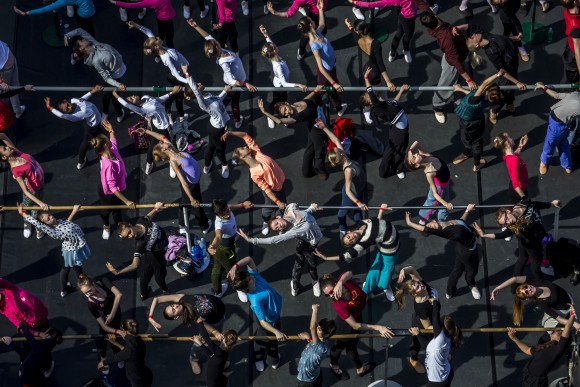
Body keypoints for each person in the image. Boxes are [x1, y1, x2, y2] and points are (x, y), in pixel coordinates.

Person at [237, 203, 323, 297]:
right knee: (301, 264)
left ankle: (312, 280)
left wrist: (311, 208)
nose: (279, 226)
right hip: (306, 242)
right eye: (277, 228)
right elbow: (273, 240)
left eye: (277, 223)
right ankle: (300, 283)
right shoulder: (292, 231)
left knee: (312, 263)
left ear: (278, 217)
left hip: (313, 241)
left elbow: (303, 215)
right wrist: (251, 240)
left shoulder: (291, 211)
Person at [320, 271, 394, 380]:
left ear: (336, 284)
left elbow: (349, 273)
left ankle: (359, 368)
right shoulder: (338, 305)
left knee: (352, 345)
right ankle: (334, 365)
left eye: (331, 291)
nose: (331, 295)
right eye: (328, 295)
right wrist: (379, 327)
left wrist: (340, 281)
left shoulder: (343, 280)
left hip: (357, 316)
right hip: (346, 325)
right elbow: (355, 325)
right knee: (340, 346)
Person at [315, 205, 399, 300]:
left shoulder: (361, 223)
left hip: (382, 245)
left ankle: (367, 288)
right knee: (387, 272)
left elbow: (377, 223)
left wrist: (381, 210)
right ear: (355, 243)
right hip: (391, 250)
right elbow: (346, 256)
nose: (352, 239)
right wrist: (326, 258)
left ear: (348, 232)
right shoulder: (363, 242)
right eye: (351, 242)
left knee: (378, 264)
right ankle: (385, 287)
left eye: (349, 237)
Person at [141, 127, 212, 235]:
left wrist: (146, 131)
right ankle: (204, 226)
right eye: (161, 144)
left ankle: (183, 224)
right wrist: (192, 198)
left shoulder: (172, 148)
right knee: (195, 204)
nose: (162, 142)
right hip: (190, 185)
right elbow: (183, 182)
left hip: (194, 182)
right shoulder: (174, 162)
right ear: (163, 150)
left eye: (161, 143)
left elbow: (161, 136)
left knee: (186, 203)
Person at [187, 19, 257, 129]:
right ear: (216, 47)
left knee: (227, 99)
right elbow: (231, 80)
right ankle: (237, 120)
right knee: (234, 101)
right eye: (216, 42)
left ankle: (218, 108)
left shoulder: (221, 50)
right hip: (235, 84)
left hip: (236, 80)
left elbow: (208, 37)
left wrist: (196, 26)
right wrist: (245, 84)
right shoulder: (224, 62)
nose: (217, 40)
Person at [405, 205, 481, 300]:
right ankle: (472, 285)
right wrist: (409, 223)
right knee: (472, 271)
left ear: (432, 221)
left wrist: (467, 211)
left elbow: (461, 222)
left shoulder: (448, 222)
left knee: (457, 270)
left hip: (461, 249)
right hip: (469, 252)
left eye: (429, 225)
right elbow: (426, 229)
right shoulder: (442, 231)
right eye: (431, 229)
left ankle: (449, 292)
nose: (431, 227)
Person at [472, 198, 561, 279]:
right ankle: (539, 280)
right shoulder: (515, 226)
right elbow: (500, 235)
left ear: (508, 211)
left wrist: (551, 204)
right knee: (536, 261)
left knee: (522, 258)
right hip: (530, 242)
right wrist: (483, 235)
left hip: (528, 239)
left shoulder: (523, 203)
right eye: (505, 224)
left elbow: (535, 204)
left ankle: (515, 285)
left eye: (506, 219)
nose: (508, 223)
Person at [18, 203, 90, 297]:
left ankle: (66, 289)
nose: (51, 217)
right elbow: (36, 222)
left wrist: (74, 211)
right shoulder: (52, 231)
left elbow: (67, 223)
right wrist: (22, 213)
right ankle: (81, 287)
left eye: (50, 215)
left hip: (74, 247)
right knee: (74, 268)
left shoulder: (59, 222)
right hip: (72, 251)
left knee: (71, 267)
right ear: (46, 225)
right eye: (48, 219)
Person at [256, 87, 329, 180]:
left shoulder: (296, 104)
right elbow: (279, 121)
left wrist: (316, 91)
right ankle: (320, 170)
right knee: (320, 149)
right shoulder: (296, 117)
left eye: (285, 109)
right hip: (317, 128)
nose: (287, 112)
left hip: (317, 119)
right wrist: (264, 112)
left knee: (311, 148)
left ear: (287, 104)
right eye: (285, 113)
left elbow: (306, 99)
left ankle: (306, 172)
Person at [228, 256, 286, 372]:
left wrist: (236, 266)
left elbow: (249, 259)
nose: (251, 278)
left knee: (272, 340)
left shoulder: (254, 276)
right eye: (249, 279)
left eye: (249, 276)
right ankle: (259, 359)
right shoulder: (255, 301)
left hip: (274, 317)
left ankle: (272, 359)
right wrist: (276, 331)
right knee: (263, 340)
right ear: (245, 288)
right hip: (269, 321)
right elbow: (263, 322)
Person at [227, 130, 287, 235]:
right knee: (268, 208)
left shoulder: (255, 151)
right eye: (242, 148)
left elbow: (245, 135)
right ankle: (265, 221)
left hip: (281, 182)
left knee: (283, 205)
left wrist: (230, 133)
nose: (245, 146)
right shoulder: (254, 174)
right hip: (273, 191)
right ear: (242, 157)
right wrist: (277, 201)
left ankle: (279, 221)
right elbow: (267, 190)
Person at [106, 202, 170, 301]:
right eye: (126, 237)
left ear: (130, 225)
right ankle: (165, 290)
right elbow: (134, 265)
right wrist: (118, 272)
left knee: (145, 273)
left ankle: (144, 294)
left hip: (151, 253)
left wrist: (156, 208)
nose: (130, 236)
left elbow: (148, 216)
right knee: (160, 275)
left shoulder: (141, 221)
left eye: (129, 232)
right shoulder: (139, 244)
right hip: (156, 256)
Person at [112, 87, 181, 175]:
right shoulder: (143, 110)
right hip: (160, 128)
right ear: (133, 107)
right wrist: (115, 94)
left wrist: (172, 92)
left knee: (168, 143)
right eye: (131, 99)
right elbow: (126, 105)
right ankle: (151, 163)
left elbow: (158, 100)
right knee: (158, 146)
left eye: (131, 96)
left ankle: (171, 162)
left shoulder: (145, 97)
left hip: (163, 124)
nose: (133, 96)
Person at [128, 21, 189, 121]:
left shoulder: (159, 47)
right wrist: (189, 81)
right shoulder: (166, 58)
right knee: (179, 96)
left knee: (176, 94)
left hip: (176, 74)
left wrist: (135, 25)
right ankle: (180, 116)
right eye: (157, 39)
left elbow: (148, 31)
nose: (158, 37)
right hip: (177, 76)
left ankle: (169, 109)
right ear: (156, 46)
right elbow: (176, 75)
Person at [419, 13, 474, 124]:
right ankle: (437, 106)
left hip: (458, 58)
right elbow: (455, 62)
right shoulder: (446, 38)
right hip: (452, 65)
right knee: (445, 84)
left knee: (459, 80)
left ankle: (458, 100)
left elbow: (423, 5)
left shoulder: (437, 22)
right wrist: (469, 80)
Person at [316, 118, 367, 235]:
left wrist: (324, 128)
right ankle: (342, 228)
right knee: (342, 213)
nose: (337, 147)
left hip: (358, 189)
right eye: (337, 150)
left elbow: (335, 139)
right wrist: (358, 201)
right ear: (340, 156)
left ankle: (359, 226)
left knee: (357, 209)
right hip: (351, 193)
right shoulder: (348, 170)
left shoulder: (344, 155)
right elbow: (348, 191)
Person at [465, 27, 526, 124]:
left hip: (513, 63)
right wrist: (517, 82)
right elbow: (502, 71)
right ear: (476, 44)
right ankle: (493, 111)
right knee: (502, 92)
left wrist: (513, 39)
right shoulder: (491, 52)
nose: (473, 35)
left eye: (472, 36)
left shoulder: (484, 34)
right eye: (472, 38)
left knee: (510, 89)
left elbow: (501, 40)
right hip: (508, 70)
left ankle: (510, 104)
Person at [64, 28, 126, 120]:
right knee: (114, 96)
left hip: (120, 66)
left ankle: (107, 113)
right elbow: (106, 78)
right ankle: (119, 114)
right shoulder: (96, 61)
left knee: (109, 95)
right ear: (82, 48)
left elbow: (80, 31)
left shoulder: (94, 43)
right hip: (116, 74)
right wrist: (118, 84)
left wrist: (67, 35)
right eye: (81, 40)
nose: (83, 38)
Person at [296, 5, 348, 117]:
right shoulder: (314, 45)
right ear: (310, 24)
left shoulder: (317, 32)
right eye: (311, 20)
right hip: (326, 71)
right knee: (321, 90)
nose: (313, 21)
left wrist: (320, 10)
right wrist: (334, 83)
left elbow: (322, 24)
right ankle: (318, 108)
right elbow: (320, 67)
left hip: (331, 67)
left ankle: (337, 107)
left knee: (329, 89)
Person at [182, 66, 233, 179]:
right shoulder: (202, 102)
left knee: (211, 146)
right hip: (217, 129)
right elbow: (195, 89)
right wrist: (186, 73)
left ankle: (207, 165)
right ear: (197, 91)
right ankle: (224, 165)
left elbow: (217, 100)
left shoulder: (207, 95)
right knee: (220, 148)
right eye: (197, 85)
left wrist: (224, 91)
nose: (199, 83)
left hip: (216, 125)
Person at [506, 305, 575, 387]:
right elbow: (528, 350)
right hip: (528, 374)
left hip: (536, 382)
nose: (557, 331)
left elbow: (568, 326)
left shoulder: (558, 349)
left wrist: (572, 314)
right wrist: (514, 339)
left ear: (562, 339)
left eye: (560, 332)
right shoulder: (545, 344)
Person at [360, 70, 410, 178]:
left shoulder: (383, 104)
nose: (372, 95)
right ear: (370, 103)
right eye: (369, 97)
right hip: (400, 133)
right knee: (399, 151)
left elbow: (394, 103)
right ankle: (398, 169)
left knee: (392, 149)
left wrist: (401, 90)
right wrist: (366, 78)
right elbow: (370, 91)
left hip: (396, 129)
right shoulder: (378, 108)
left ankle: (384, 170)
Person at [451, 71, 504, 171]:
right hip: (476, 121)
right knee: (471, 139)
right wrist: (460, 89)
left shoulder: (477, 98)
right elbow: (471, 96)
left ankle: (476, 164)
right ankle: (468, 156)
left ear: (486, 91)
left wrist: (497, 74)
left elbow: (484, 83)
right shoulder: (486, 100)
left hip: (468, 123)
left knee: (474, 143)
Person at [91, 120, 135, 239]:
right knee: (105, 211)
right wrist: (127, 201)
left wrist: (111, 131)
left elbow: (113, 141)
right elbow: (112, 187)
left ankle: (121, 227)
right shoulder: (108, 164)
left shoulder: (112, 150)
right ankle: (106, 225)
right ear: (105, 145)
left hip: (116, 190)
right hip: (109, 193)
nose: (109, 141)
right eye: (107, 140)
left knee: (117, 211)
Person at [0, 133, 49, 239]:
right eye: (5, 148)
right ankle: (28, 224)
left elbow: (3, 136)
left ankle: (38, 229)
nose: (7, 147)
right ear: (4, 157)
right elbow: (25, 191)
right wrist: (40, 202)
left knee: (37, 211)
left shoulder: (16, 152)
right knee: (27, 208)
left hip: (40, 185)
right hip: (32, 191)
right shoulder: (16, 170)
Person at [44, 85, 105, 170]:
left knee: (86, 142)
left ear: (66, 101)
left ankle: (81, 162)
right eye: (67, 110)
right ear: (66, 113)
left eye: (68, 105)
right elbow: (61, 115)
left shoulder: (73, 100)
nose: (70, 107)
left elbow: (82, 100)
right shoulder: (75, 116)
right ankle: (102, 161)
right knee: (98, 143)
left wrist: (93, 91)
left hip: (88, 126)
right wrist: (49, 107)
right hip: (94, 127)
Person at [258, 25, 308, 128]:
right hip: (280, 87)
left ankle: (286, 118)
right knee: (277, 102)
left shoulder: (276, 57)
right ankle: (271, 116)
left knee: (282, 101)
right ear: (274, 51)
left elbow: (270, 44)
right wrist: (298, 84)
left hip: (280, 85)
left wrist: (265, 34)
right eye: (275, 47)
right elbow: (284, 83)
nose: (276, 46)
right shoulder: (278, 65)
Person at [490, 275, 580, 330]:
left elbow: (515, 279)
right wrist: (574, 323)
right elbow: (558, 318)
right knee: (549, 329)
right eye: (527, 292)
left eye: (526, 287)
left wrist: (498, 288)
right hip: (565, 309)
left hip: (568, 297)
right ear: (528, 298)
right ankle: (547, 324)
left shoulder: (536, 281)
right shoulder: (542, 303)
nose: (529, 289)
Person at [395, 266, 439, 375]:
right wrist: (443, 328)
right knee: (421, 342)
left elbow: (412, 270)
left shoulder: (422, 288)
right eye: (417, 286)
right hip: (422, 325)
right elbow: (428, 327)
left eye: (418, 283)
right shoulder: (421, 307)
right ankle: (413, 358)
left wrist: (403, 271)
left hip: (430, 318)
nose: (421, 284)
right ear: (415, 294)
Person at [78, 273, 123, 374]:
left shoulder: (104, 281)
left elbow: (119, 294)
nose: (88, 294)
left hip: (115, 315)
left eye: (89, 291)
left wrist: (112, 314)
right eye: (85, 293)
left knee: (116, 342)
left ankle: (119, 357)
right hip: (106, 323)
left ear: (93, 284)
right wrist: (118, 331)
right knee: (102, 341)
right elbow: (103, 325)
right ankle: (103, 359)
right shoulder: (91, 304)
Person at [409, 299, 462, 387]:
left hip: (437, 382)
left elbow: (435, 317)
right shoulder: (446, 337)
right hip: (447, 373)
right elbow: (428, 348)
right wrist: (418, 334)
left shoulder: (440, 337)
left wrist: (435, 302)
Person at [207, 199, 253, 297]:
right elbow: (218, 237)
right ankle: (240, 290)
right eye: (224, 213)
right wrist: (213, 246)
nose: (228, 213)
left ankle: (217, 291)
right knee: (232, 270)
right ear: (218, 214)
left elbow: (231, 206)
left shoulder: (226, 208)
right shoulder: (220, 224)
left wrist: (242, 204)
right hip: (225, 249)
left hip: (222, 249)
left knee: (217, 268)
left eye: (227, 210)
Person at [347, 1, 416, 64]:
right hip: (406, 18)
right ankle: (398, 52)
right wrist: (355, 2)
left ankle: (396, 52)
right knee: (406, 35)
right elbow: (371, 4)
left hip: (405, 17)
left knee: (401, 34)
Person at [535, 82, 579, 175]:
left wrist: (544, 87)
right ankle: (548, 163)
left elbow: (556, 95)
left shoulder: (575, 94)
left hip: (559, 122)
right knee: (556, 143)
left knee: (556, 143)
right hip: (559, 124)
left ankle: (550, 162)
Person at [406, 141, 453, 223]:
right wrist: (446, 204)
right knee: (433, 203)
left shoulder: (426, 155)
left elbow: (416, 143)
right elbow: (435, 194)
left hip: (445, 183)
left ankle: (442, 218)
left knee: (442, 201)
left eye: (414, 155)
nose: (416, 154)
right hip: (440, 188)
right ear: (417, 165)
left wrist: (409, 150)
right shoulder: (429, 173)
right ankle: (423, 219)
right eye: (414, 157)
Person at [344, 19, 397, 90]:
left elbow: (352, 30)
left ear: (358, 32)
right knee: (378, 93)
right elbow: (380, 63)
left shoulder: (358, 39)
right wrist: (388, 82)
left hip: (367, 69)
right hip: (375, 73)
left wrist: (348, 24)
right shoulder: (375, 43)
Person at [99, 319, 153, 387]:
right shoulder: (140, 341)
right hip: (145, 375)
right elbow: (129, 352)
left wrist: (102, 364)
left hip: (137, 382)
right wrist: (116, 343)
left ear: (123, 330)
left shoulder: (130, 349)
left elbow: (102, 364)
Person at [296, 304, 336, 386]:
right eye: (318, 326)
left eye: (319, 329)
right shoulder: (321, 343)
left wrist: (315, 310)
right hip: (315, 375)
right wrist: (309, 338)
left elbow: (312, 328)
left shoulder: (319, 346)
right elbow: (314, 342)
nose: (317, 328)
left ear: (325, 335)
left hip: (306, 380)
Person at [13, 0, 96, 36]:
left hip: (85, 13)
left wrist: (25, 13)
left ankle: (86, 37)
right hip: (89, 6)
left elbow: (44, 9)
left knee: (84, 26)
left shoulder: (63, 1)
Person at [492, 131, 529, 203]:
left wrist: (520, 146)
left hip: (521, 186)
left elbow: (515, 154)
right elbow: (516, 185)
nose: (512, 138)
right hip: (519, 192)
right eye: (510, 137)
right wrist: (525, 199)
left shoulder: (508, 155)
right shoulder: (513, 161)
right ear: (507, 143)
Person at [0, 40, 26, 119]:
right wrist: (1, 82)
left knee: (16, 86)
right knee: (7, 91)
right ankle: (7, 111)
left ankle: (17, 111)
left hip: (12, 60)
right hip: (5, 71)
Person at [562, 0, 580, 84]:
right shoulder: (576, 27)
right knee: (570, 79)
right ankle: (563, 93)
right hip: (572, 57)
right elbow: (577, 53)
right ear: (575, 2)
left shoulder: (568, 10)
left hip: (570, 45)